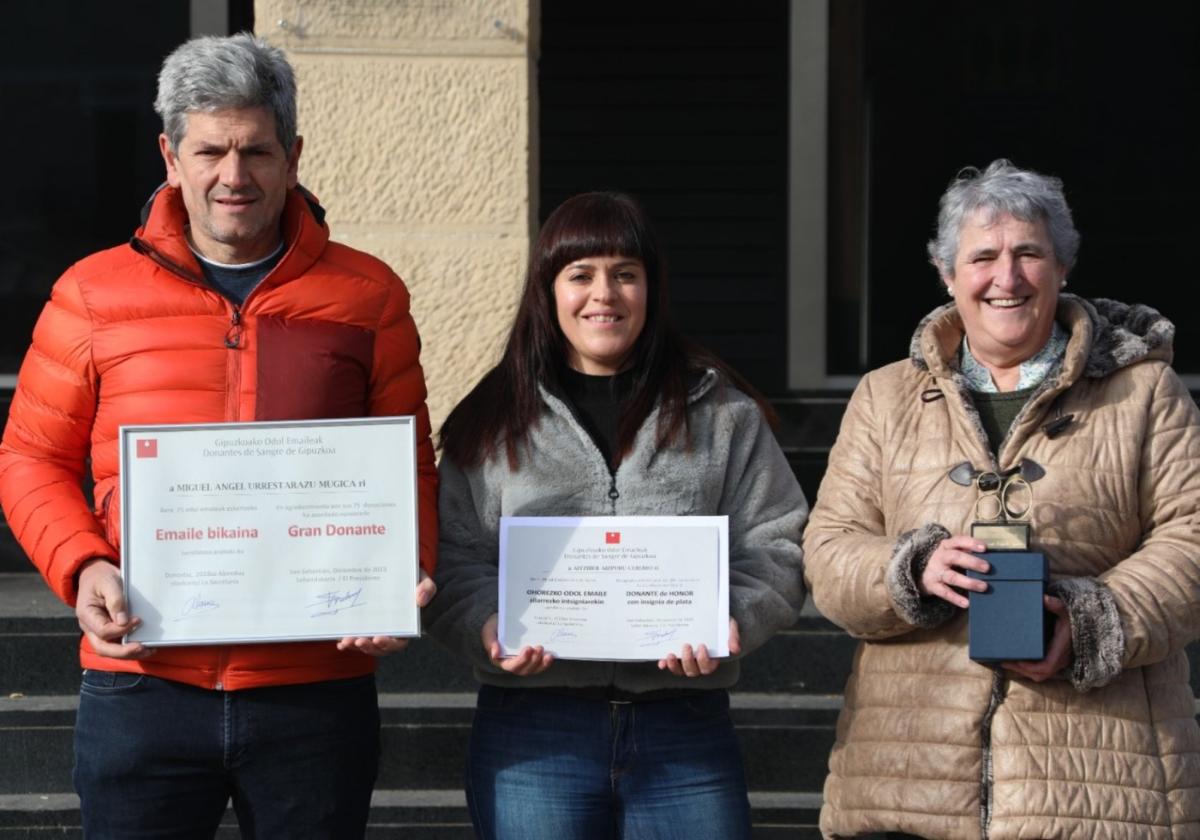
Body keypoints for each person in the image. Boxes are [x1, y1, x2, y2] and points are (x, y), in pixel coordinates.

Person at [0, 33, 438, 837]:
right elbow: (31, 456)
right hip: (142, 683)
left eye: (256, 151)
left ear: (293, 154)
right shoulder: (92, 293)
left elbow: (408, 461)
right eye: (210, 150)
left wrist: (402, 570)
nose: (233, 176)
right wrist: (81, 562)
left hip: (314, 686)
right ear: (170, 155)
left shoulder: (366, 294)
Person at [803, 159, 1200, 839]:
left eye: (1029, 254)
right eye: (982, 256)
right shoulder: (884, 397)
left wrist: (1094, 619)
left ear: (1063, 266)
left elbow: (1192, 537)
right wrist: (911, 569)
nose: (1006, 278)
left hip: (1101, 786)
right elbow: (829, 548)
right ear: (946, 272)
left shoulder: (1144, 393)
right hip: (909, 783)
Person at [425, 191, 807, 838]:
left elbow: (780, 543)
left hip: (683, 724)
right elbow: (451, 555)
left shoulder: (722, 416)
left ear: (651, 289)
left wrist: (730, 617)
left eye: (626, 274)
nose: (604, 294)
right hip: (533, 731)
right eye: (581, 275)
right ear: (548, 290)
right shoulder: (488, 421)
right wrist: (487, 625)